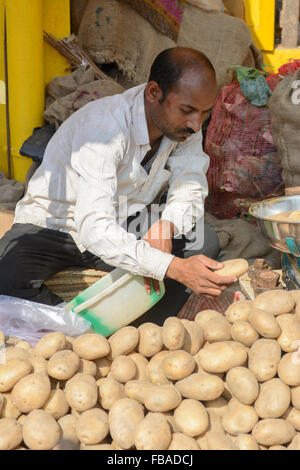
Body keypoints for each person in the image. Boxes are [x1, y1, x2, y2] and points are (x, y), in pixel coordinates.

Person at [0, 47, 236, 325]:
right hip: (56, 226)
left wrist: (167, 225)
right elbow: (94, 228)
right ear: (153, 93)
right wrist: (169, 266)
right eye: (187, 111)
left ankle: (144, 329)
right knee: (6, 278)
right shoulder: (103, 129)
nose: (197, 124)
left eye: (204, 113)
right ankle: (84, 329)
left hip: (122, 219)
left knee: (203, 241)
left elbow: (191, 185)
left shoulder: (185, 127)